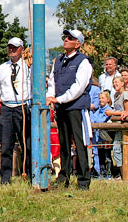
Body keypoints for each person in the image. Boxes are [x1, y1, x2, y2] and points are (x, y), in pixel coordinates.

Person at [46, 29, 93, 190]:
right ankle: (63, 176)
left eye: (70, 38)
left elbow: (78, 87)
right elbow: (53, 81)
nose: (65, 40)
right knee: (64, 143)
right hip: (61, 108)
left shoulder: (83, 62)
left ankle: (83, 180)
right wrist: (50, 96)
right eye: (65, 37)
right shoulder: (58, 60)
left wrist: (58, 99)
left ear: (78, 44)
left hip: (76, 107)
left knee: (80, 144)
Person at [0, 37, 32, 185]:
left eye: (15, 47)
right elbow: (0, 86)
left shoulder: (28, 67)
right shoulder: (2, 68)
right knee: (5, 145)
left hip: (22, 107)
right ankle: (5, 178)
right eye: (10, 47)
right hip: (6, 108)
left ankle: (30, 174)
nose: (12, 50)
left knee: (26, 144)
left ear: (21, 49)